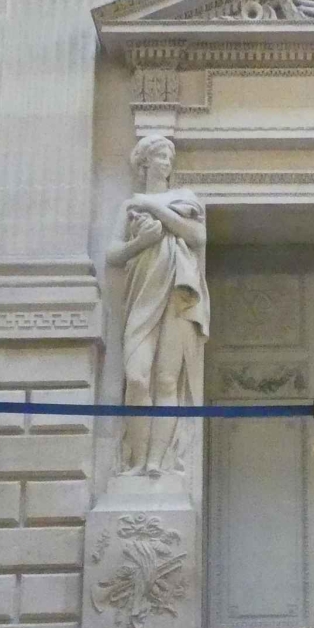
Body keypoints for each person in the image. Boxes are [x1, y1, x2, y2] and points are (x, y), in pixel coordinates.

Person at [107, 134, 210, 477]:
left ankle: (156, 462)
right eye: (160, 156)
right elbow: (113, 254)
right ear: (144, 162)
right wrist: (141, 242)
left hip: (178, 297)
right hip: (141, 296)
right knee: (137, 377)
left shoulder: (184, 199)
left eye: (169, 158)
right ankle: (137, 459)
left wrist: (153, 209)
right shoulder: (129, 206)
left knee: (167, 380)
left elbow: (197, 236)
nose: (166, 163)